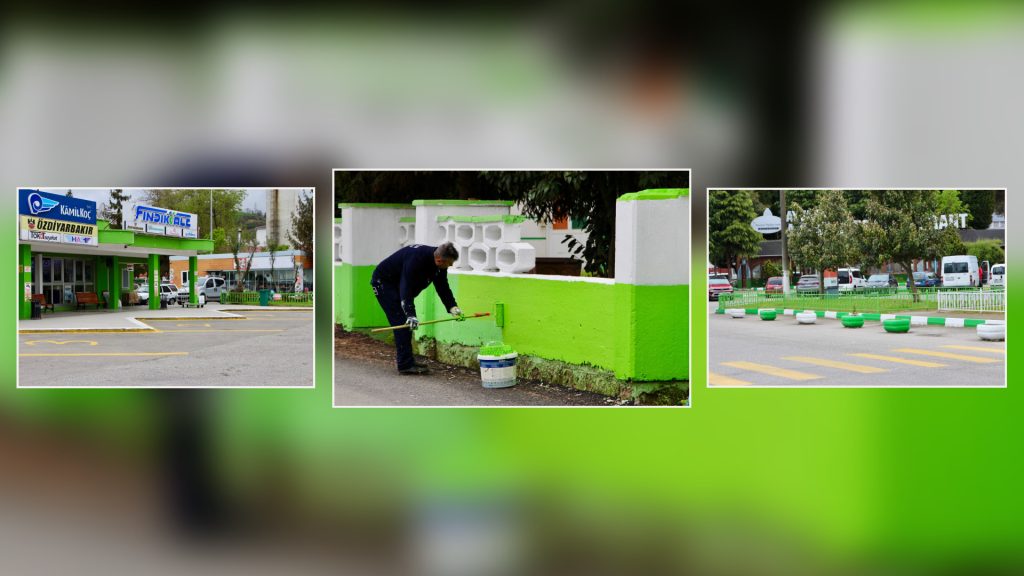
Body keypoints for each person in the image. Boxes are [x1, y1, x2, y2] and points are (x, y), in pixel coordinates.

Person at [371, 242, 464, 374]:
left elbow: (442, 286)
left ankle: (407, 361)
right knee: (402, 322)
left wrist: (452, 307)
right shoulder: (416, 260)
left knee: (405, 323)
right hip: (384, 283)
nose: (451, 265)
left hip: (397, 283)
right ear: (439, 260)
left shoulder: (438, 264)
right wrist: (411, 315)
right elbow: (406, 288)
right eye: (449, 263)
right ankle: (405, 365)